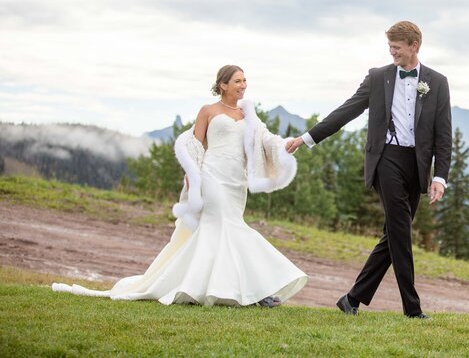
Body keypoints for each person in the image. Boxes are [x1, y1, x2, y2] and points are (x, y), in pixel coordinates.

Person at [53, 65, 307, 307]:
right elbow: (196, 145)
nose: (244, 85)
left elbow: (266, 138)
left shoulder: (248, 114)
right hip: (212, 176)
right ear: (223, 84)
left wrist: (285, 145)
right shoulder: (208, 110)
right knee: (227, 228)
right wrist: (192, 175)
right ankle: (257, 292)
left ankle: (222, 288)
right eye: (238, 80)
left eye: (245, 80)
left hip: (235, 181)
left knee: (224, 230)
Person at [286, 21, 452, 319]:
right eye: (390, 47)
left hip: (416, 165)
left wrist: (440, 176)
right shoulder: (378, 78)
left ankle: (352, 298)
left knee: (394, 235)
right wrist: (307, 138)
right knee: (400, 232)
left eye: (397, 48)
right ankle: (412, 310)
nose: (392, 53)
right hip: (385, 159)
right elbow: (346, 110)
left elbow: (444, 133)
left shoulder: (437, 82)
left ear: (414, 46)